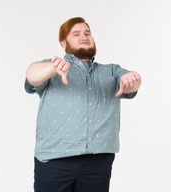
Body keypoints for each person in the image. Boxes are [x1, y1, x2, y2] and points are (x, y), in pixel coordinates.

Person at [25, 17, 141, 192]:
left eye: (87, 33)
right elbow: (31, 77)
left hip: (98, 162)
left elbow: (132, 85)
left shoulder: (111, 71)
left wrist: (131, 79)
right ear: (63, 43)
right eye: (76, 34)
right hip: (55, 161)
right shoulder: (53, 67)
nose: (84, 36)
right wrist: (51, 69)